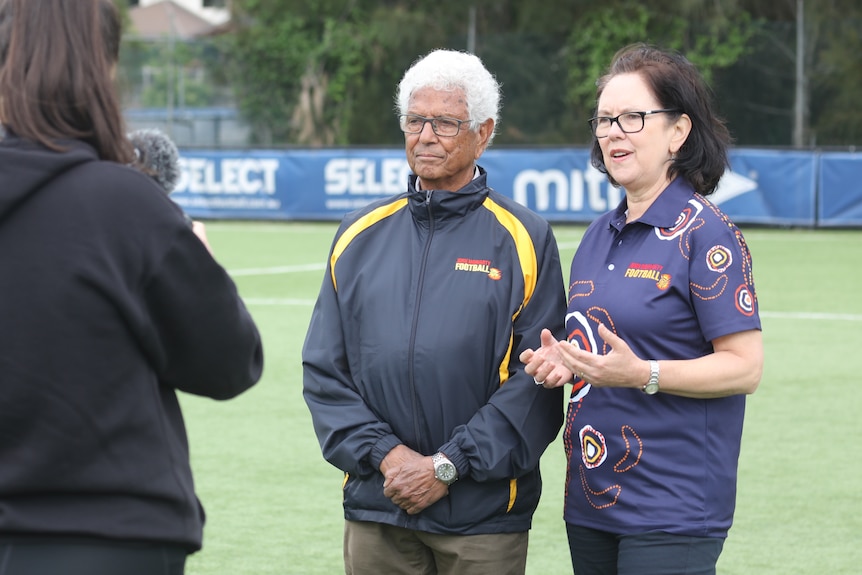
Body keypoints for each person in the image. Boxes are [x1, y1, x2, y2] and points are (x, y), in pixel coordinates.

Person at [0, 1, 263, 573]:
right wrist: (201, 266)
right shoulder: (125, 205)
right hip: (109, 535)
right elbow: (229, 365)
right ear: (100, 67)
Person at [302, 49, 566, 575]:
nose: (425, 135)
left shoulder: (524, 238)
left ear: (483, 132)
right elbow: (325, 371)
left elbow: (536, 383)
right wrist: (389, 458)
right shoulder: (358, 234)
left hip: (483, 518)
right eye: (415, 120)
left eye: (445, 122)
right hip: (379, 506)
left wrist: (448, 465)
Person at [521, 43, 763, 575]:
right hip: (590, 499)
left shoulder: (707, 234)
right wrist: (567, 361)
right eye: (605, 119)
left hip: (672, 508)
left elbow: (745, 367)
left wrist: (643, 374)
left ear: (679, 132)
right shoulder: (596, 235)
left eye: (633, 117)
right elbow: (598, 343)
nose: (612, 132)